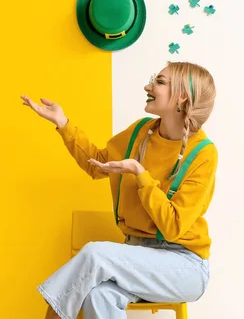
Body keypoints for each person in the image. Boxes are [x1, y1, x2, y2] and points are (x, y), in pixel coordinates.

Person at [20, 61, 218, 319]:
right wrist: (63, 123)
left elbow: (172, 227)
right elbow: (97, 165)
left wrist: (140, 174)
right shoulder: (140, 132)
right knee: (97, 295)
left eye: (159, 82)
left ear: (182, 96)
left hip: (184, 267)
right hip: (136, 256)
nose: (148, 86)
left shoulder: (203, 154)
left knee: (95, 253)